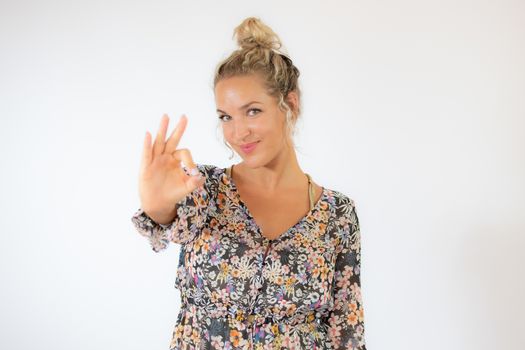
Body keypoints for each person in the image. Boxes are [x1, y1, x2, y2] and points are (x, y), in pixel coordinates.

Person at [131, 16, 366, 350]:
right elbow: (168, 222)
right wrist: (156, 205)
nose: (238, 133)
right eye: (226, 117)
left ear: (290, 104)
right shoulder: (203, 189)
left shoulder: (337, 215)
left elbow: (347, 330)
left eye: (252, 111)